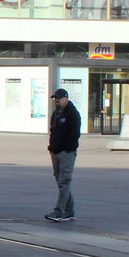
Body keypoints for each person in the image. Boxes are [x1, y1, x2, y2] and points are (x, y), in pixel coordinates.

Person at [46, 88, 81, 222]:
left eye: (59, 99)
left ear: (66, 98)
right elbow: (53, 131)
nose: (56, 101)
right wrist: (52, 147)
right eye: (55, 99)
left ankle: (59, 211)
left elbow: (75, 134)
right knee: (61, 182)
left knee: (64, 182)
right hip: (55, 151)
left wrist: (67, 149)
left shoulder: (73, 114)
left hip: (66, 153)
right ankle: (69, 210)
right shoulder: (56, 114)